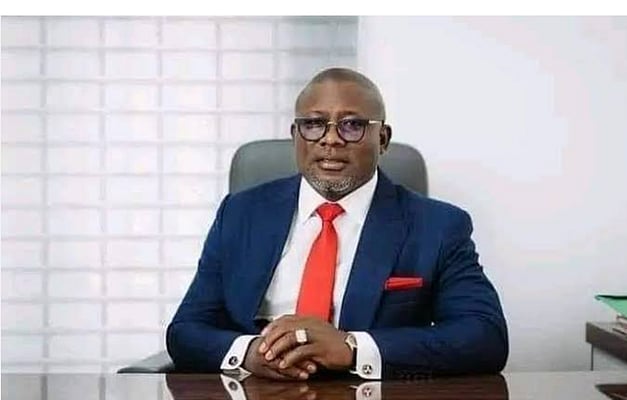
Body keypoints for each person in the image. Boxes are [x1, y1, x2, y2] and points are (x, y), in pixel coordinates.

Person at [166, 67, 508, 380]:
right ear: (296, 135)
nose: (330, 139)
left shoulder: (438, 226)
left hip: (371, 398)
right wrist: (250, 353)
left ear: (383, 139)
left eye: (352, 125)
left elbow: (484, 336)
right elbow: (187, 329)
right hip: (257, 395)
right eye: (314, 124)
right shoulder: (240, 213)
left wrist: (352, 348)